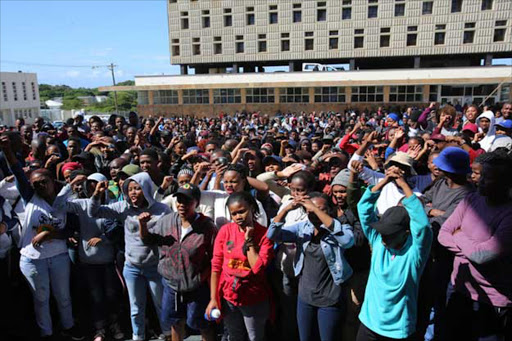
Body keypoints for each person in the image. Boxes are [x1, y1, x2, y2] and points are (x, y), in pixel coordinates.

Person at [0, 134, 83, 341]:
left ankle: (69, 326)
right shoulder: (30, 198)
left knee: (63, 297)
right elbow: (17, 171)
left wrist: (50, 233)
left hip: (59, 256)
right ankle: (46, 332)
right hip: (32, 259)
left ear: (52, 182)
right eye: (35, 183)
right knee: (41, 298)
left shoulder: (65, 199)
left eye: (43, 181)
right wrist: (8, 150)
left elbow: (70, 232)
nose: (40, 186)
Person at [87, 172, 171, 341]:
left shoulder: (161, 210)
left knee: (161, 305)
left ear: (146, 189)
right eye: (130, 189)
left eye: (137, 188)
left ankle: (169, 334)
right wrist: (97, 193)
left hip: (155, 267)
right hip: (132, 267)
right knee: (136, 307)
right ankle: (137, 336)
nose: (133, 192)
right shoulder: (123, 207)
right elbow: (93, 212)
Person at [438, 149, 512, 341]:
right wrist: (472, 250)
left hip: (491, 300)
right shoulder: (471, 200)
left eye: (487, 178)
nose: (477, 179)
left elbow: (483, 256)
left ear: (506, 183)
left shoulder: (509, 215)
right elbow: (444, 234)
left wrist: (460, 236)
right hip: (458, 288)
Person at [356, 165, 432, 341]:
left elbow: (422, 227)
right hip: (368, 323)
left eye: (390, 235)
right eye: (382, 232)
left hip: (397, 331)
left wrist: (404, 185)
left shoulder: (414, 254)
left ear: (406, 233)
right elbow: (364, 208)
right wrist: (384, 181)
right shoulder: (378, 241)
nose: (383, 239)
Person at [267, 192, 354, 341]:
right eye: (309, 210)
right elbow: (271, 235)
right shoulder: (303, 228)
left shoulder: (340, 228)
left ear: (329, 210)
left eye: (320, 209)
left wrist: (316, 210)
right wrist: (286, 210)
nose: (313, 213)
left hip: (329, 298)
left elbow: (347, 241)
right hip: (305, 296)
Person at [138, 184, 217, 341]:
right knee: (175, 322)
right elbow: (148, 240)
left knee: (202, 323)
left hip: (196, 285)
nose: (182, 205)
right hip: (171, 285)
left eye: (187, 201)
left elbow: (215, 257)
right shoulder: (166, 221)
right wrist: (143, 226)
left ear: (197, 203)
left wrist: (202, 278)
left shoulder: (207, 226)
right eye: (179, 200)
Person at [60, 173, 124, 341]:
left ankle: (115, 325)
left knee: (111, 296)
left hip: (109, 261)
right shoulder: (82, 204)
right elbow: (57, 204)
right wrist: (71, 184)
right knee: (96, 297)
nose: (94, 188)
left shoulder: (113, 205)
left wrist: (102, 238)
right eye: (90, 185)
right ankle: (99, 330)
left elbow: (117, 231)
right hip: (88, 260)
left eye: (97, 184)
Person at [206, 191, 274, 341]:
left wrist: (249, 241)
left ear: (251, 208)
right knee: (234, 335)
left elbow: (258, 268)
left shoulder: (264, 234)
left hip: (253, 297)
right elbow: (216, 266)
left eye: (242, 211)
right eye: (234, 214)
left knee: (255, 336)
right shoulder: (225, 231)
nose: (238, 217)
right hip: (229, 296)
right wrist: (214, 298)